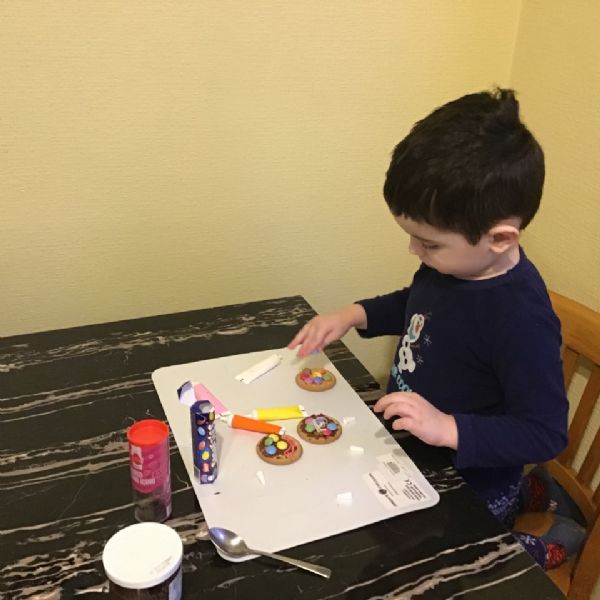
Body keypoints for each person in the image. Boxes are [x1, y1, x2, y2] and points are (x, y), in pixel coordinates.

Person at [288, 88, 585, 570]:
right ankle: (531, 495)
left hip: (472, 482)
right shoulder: (452, 268)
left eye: (427, 242)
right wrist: (353, 315)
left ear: (499, 238)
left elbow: (545, 433)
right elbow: (417, 307)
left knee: (435, 565)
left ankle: (526, 539)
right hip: (413, 452)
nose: (413, 252)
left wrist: (446, 427)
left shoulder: (521, 317)